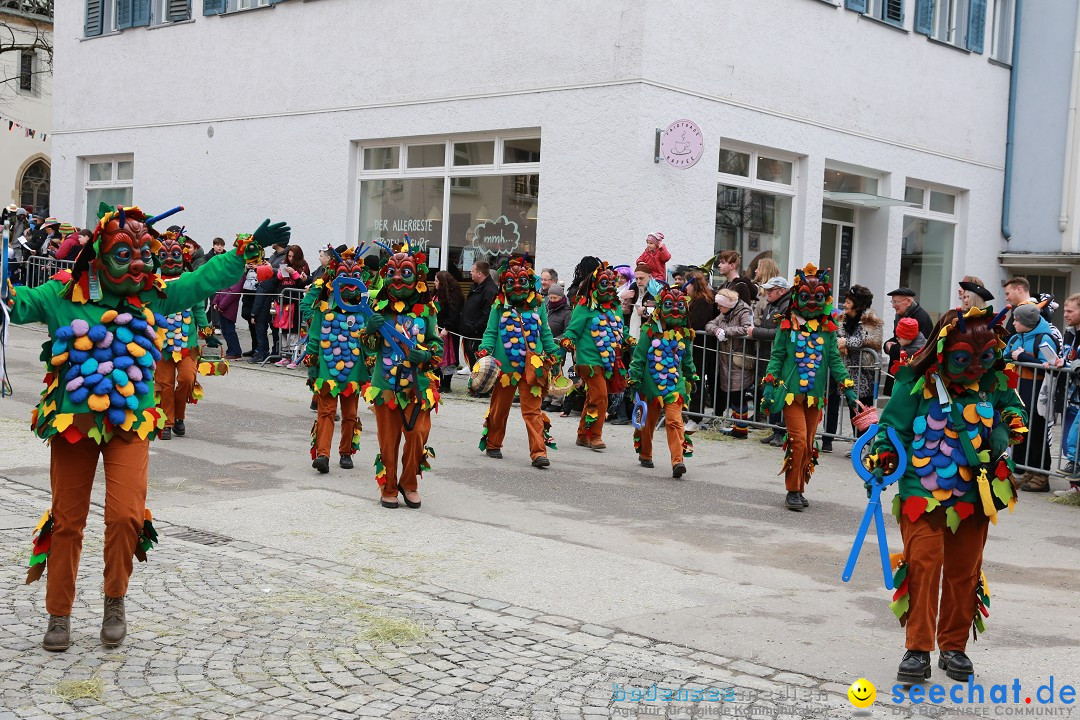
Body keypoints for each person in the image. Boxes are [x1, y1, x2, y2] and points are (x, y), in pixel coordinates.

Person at [5, 204, 288, 651]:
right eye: (124, 254)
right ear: (98, 255)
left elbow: (200, 281)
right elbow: (18, 303)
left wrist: (243, 252)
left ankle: (114, 600)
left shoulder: (153, 296)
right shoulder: (62, 296)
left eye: (143, 254)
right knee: (68, 522)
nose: (137, 265)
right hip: (73, 425)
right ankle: (58, 614)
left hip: (130, 424)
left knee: (125, 517)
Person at [867, 307, 1026, 685]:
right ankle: (918, 648)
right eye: (963, 359)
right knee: (923, 564)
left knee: (964, 572)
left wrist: (1007, 427)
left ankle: (954, 647)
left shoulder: (995, 380)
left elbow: (1014, 412)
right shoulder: (916, 382)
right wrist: (883, 458)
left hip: (976, 493)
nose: (975, 366)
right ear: (943, 350)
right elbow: (892, 428)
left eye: (985, 357)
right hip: (922, 491)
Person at [760, 264, 857, 511]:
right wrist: (769, 384)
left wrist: (847, 386)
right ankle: (792, 490)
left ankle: (800, 487)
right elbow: (777, 356)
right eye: (805, 296)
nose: (812, 302)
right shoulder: (786, 324)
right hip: (792, 395)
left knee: (810, 442)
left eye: (818, 297)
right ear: (796, 297)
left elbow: (834, 359)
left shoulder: (828, 328)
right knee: (799, 440)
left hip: (814, 397)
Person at [360, 239, 442, 509]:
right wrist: (370, 330)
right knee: (388, 440)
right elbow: (367, 346)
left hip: (417, 385)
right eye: (392, 272)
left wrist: (427, 355)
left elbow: (437, 344)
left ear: (417, 277)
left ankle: (410, 483)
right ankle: (389, 487)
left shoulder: (427, 311)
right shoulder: (378, 308)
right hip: (385, 384)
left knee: (418, 435)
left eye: (405, 272)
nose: (397, 277)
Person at [476, 257, 560, 468]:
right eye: (511, 281)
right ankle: (493, 443)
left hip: (532, 368)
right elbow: (491, 332)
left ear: (530, 283)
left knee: (532, 411)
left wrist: (553, 354)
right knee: (499, 408)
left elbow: (546, 334)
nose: (517, 285)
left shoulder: (538, 307)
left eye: (522, 280)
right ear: (504, 284)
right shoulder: (499, 307)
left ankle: (538, 452)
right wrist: (484, 350)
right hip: (505, 369)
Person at [301, 247, 369, 474]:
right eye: (343, 278)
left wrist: (370, 368)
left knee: (350, 414)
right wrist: (312, 369)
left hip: (354, 369)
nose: (350, 284)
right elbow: (314, 338)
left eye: (355, 278)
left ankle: (346, 451)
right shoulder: (323, 309)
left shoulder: (364, 312)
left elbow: (371, 343)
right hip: (328, 370)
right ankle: (323, 454)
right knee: (326, 412)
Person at [153, 230, 221, 440]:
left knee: (186, 379)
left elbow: (199, 309)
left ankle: (179, 416)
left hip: (186, 343)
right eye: (164, 255)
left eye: (175, 254)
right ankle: (166, 421)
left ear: (184, 257)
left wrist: (208, 333)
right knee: (164, 384)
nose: (170, 259)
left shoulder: (189, 281)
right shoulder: (153, 283)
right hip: (162, 344)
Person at [629, 285, 698, 478]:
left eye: (680, 305)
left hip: (674, 383)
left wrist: (692, 375)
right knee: (648, 422)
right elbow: (640, 355)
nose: (675, 309)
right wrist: (634, 377)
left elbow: (687, 358)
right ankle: (645, 453)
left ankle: (678, 461)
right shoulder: (649, 329)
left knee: (674, 420)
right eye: (669, 304)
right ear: (660, 307)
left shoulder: (685, 333)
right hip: (650, 383)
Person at [560, 261, 625, 451]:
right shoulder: (584, 307)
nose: (611, 287)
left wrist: (629, 340)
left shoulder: (615, 308)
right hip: (588, 360)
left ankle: (582, 435)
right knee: (601, 397)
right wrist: (566, 345)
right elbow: (571, 332)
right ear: (594, 285)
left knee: (593, 397)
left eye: (613, 283)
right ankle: (595, 435)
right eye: (605, 283)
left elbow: (622, 330)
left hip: (608, 360)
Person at [1004, 303, 1059, 492]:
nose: (1014, 323)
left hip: (1038, 390)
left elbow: (1050, 365)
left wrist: (1022, 357)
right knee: (1023, 429)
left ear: (1026, 322)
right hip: (1020, 390)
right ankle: (1028, 470)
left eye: (1017, 320)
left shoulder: (1045, 339)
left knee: (1037, 432)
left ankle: (1041, 474)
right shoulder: (1015, 337)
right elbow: (1005, 356)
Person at [822, 285, 882, 453]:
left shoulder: (871, 320)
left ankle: (867, 444)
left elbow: (866, 340)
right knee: (853, 408)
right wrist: (842, 342)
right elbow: (836, 336)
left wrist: (846, 343)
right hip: (848, 370)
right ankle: (858, 443)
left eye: (848, 301)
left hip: (864, 372)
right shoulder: (843, 319)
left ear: (857, 304)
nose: (845, 304)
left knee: (864, 408)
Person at [705, 288, 754, 439]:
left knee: (738, 394)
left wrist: (726, 331)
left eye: (721, 306)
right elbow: (710, 324)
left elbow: (747, 328)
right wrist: (716, 330)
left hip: (740, 358)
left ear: (728, 304)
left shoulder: (743, 311)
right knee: (733, 395)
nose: (719, 309)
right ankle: (737, 426)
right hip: (727, 360)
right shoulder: (725, 313)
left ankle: (741, 429)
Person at [749, 276, 791, 446]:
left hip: (780, 357)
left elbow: (778, 332)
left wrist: (756, 332)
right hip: (769, 355)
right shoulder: (773, 305)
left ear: (781, 291)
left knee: (780, 393)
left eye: (770, 291)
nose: (766, 294)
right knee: (771, 393)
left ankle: (781, 431)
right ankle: (775, 430)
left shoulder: (786, 306)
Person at [883, 288, 933, 394]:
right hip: (900, 368)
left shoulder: (921, 317)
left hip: (912, 375)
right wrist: (887, 344)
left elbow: (920, 349)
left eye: (896, 302)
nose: (893, 305)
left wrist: (892, 348)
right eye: (892, 302)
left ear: (908, 301)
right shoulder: (901, 314)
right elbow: (897, 337)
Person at [1055, 293, 1080, 493]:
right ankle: (1075, 488)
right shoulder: (1070, 332)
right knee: (1068, 444)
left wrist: (1068, 364)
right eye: (1064, 310)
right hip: (1071, 396)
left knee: (1075, 442)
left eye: (1070, 311)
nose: (1065, 315)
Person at [460, 260, 497, 381]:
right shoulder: (475, 286)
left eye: (473, 271)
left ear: (480, 273)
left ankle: (482, 387)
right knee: (471, 361)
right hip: (468, 333)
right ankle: (475, 384)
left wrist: (475, 327)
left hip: (478, 335)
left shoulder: (490, 290)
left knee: (480, 364)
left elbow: (488, 314)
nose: (470, 273)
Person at [542, 283, 572, 412]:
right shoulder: (547, 308)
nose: (552, 300)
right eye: (551, 298)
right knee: (546, 371)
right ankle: (547, 397)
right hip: (545, 344)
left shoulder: (567, 312)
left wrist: (557, 340)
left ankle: (557, 399)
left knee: (556, 371)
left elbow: (567, 331)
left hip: (557, 346)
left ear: (561, 297)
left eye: (555, 298)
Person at [434, 271, 463, 393]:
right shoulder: (435, 294)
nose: (434, 283)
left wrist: (446, 328)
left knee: (448, 358)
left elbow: (454, 314)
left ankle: (446, 384)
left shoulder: (453, 297)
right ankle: (437, 382)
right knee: (435, 357)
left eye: (436, 281)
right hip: (435, 330)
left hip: (447, 332)